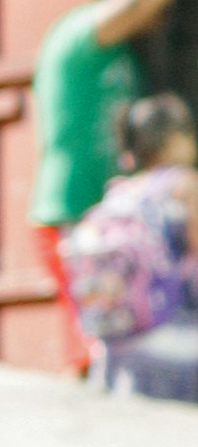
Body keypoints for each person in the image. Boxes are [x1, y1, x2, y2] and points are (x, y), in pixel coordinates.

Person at [29, 0, 198, 370]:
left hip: (110, 223)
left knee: (122, 351)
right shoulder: (79, 35)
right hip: (72, 217)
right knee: (94, 352)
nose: (163, 12)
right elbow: (131, 4)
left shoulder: (125, 58)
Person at [64, 92, 198, 399]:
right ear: (175, 138)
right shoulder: (183, 184)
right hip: (177, 346)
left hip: (116, 348)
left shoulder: (119, 192)